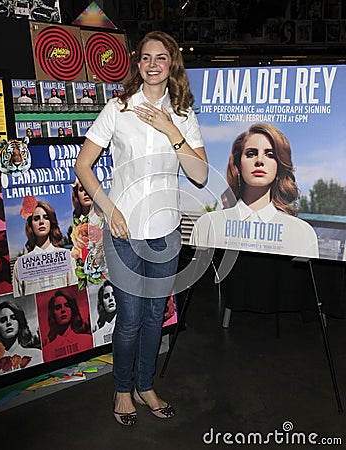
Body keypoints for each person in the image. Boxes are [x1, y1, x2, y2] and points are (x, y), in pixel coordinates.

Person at [74, 30, 207, 426]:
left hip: (166, 232)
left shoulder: (182, 115)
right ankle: (121, 390)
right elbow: (83, 164)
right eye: (146, 57)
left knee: (154, 316)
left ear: (172, 64)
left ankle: (145, 386)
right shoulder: (118, 108)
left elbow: (199, 175)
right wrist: (108, 208)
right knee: (130, 317)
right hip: (124, 231)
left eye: (161, 58)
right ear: (137, 62)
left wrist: (172, 131)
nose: (152, 64)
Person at [190, 123, 319, 258]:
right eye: (251, 154)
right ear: (238, 164)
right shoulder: (208, 225)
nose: (259, 160)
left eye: (270, 155)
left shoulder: (302, 233)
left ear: (279, 165)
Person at [12, 198, 77, 297]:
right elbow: (19, 298)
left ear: (51, 223)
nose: (41, 221)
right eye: (36, 218)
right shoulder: (20, 265)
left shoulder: (67, 257)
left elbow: (75, 293)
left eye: (46, 217)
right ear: (30, 225)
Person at [42, 289, 93, 361]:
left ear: (72, 309)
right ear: (53, 313)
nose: (63, 310)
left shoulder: (87, 340)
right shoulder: (47, 351)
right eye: (58, 307)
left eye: (67, 305)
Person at [0, 299, 43, 367]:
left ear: (20, 322)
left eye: (13, 318)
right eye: (3, 320)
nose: (9, 322)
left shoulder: (37, 355)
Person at [92, 279, 117, 346]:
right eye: (106, 296)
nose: (111, 298)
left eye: (113, 294)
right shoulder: (96, 336)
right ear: (102, 303)